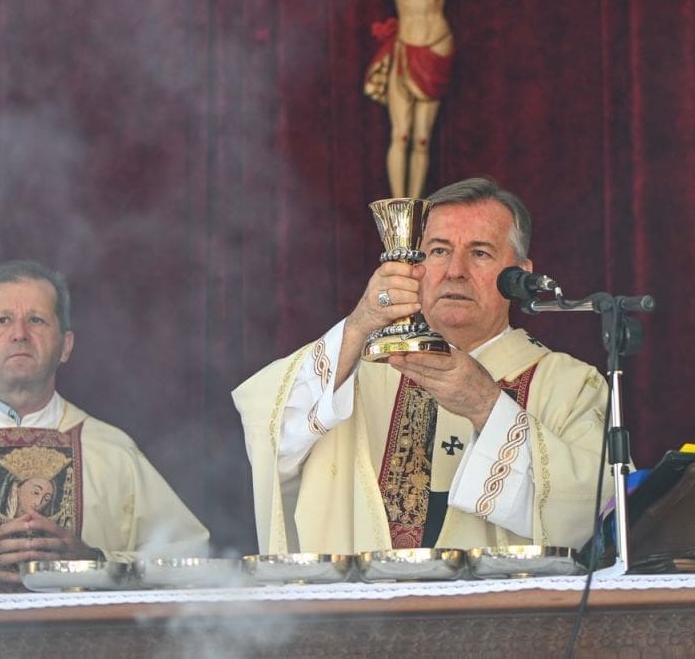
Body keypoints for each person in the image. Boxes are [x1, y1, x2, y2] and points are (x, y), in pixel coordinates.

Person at [233, 177, 609, 554]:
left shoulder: (570, 385)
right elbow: (272, 434)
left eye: (480, 253)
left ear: (520, 274)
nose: (455, 270)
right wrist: (360, 325)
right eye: (438, 251)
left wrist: (486, 406)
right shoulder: (355, 375)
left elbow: (593, 512)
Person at [0, 260, 210, 595]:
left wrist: (94, 564)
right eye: (2, 320)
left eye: (36, 320)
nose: (19, 334)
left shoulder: (112, 452)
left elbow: (189, 557)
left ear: (66, 346)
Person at [281, 0, 569, 199]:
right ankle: (399, 205)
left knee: (421, 139)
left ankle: (415, 205)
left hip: (436, 47)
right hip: (405, 46)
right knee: (400, 134)